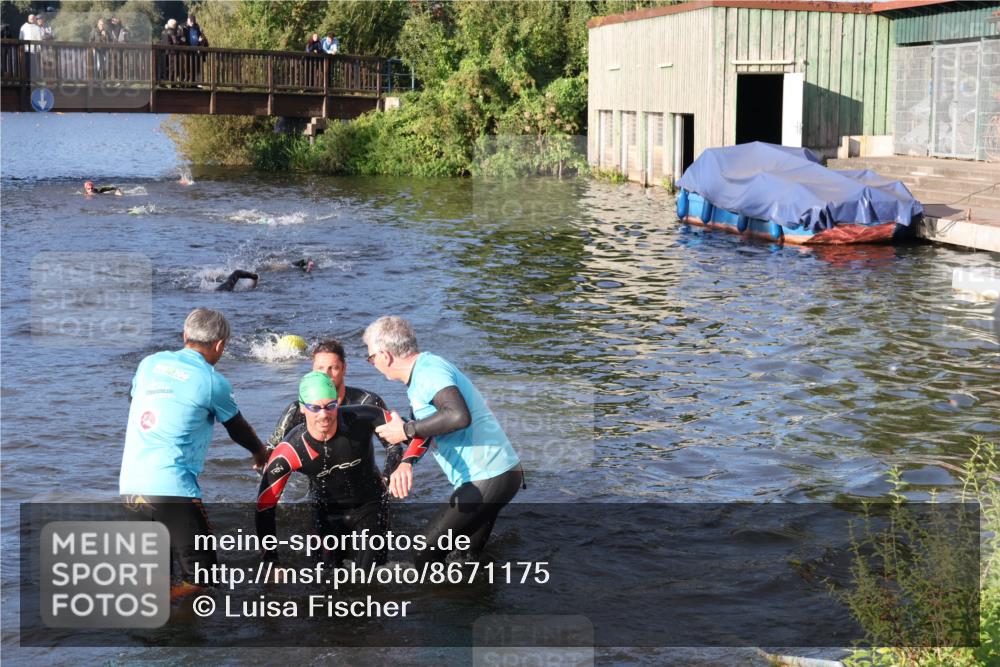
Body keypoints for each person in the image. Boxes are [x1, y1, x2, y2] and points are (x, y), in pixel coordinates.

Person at [119, 308, 269, 600]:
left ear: (185, 335)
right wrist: (260, 453)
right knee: (203, 581)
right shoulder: (211, 381)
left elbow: (135, 399)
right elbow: (238, 429)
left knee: (155, 578)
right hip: (173, 491)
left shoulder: (149, 363)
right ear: (220, 345)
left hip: (130, 488)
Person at [365, 316, 523, 566]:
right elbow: (430, 429)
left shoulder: (429, 373)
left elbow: (458, 416)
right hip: (497, 475)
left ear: (385, 355)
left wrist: (406, 429)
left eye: (371, 357)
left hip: (489, 476)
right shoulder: (423, 371)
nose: (372, 363)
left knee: (423, 554)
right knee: (465, 560)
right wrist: (406, 462)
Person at [256, 371, 402, 567]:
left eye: (330, 406)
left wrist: (397, 469)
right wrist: (271, 561)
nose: (324, 414)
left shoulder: (363, 417)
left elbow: (408, 438)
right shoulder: (290, 451)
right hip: (325, 512)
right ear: (302, 408)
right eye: (315, 408)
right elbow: (264, 508)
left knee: (370, 576)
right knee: (324, 577)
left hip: (371, 506)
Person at [268, 339, 387, 448]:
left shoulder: (368, 403)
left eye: (333, 368)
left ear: (344, 369)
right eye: (320, 368)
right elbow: (269, 451)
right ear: (313, 370)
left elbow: (393, 446)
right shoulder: (297, 411)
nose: (326, 374)